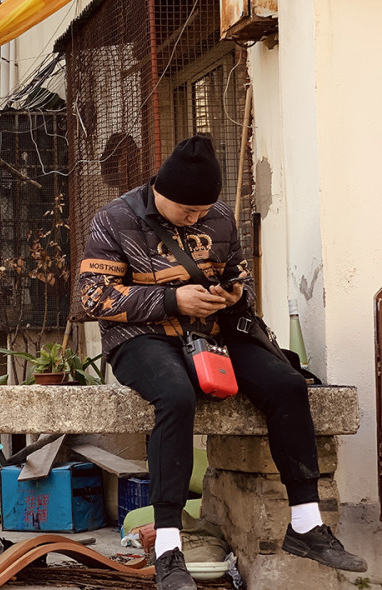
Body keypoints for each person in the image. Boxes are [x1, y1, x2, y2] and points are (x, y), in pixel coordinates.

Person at [79, 135, 366, 590]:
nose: (197, 219)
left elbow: (239, 276)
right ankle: (169, 547)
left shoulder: (220, 217)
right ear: (161, 193)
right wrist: (174, 299)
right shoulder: (114, 219)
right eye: (187, 212)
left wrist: (234, 294)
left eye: (202, 212)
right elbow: (94, 298)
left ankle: (306, 524)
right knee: (174, 396)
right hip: (141, 339)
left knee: (288, 385)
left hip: (213, 335)